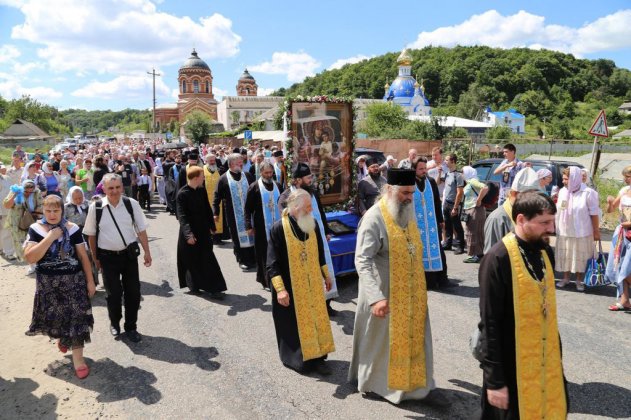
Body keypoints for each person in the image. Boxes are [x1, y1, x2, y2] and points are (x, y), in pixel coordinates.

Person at [477, 191, 568, 419]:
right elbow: (489, 324)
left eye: (552, 221)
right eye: (544, 222)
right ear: (520, 220)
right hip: (511, 369)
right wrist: (495, 381)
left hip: (545, 366)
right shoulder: (497, 259)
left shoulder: (544, 252)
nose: (551, 229)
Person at [349, 168, 435, 403]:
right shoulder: (373, 218)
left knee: (414, 338)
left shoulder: (407, 211)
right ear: (389, 190)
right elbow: (362, 260)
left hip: (412, 293)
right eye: (405, 193)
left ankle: (413, 383)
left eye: (412, 193)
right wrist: (375, 297)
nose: (409, 197)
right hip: (384, 292)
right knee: (382, 343)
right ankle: (378, 385)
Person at [23, 195, 96, 379]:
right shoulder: (35, 229)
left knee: (77, 319)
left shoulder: (72, 229)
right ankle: (64, 338)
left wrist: (90, 280)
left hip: (74, 282)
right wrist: (50, 237)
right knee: (56, 318)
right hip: (49, 284)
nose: (52, 214)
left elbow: (83, 256)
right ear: (43, 211)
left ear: (62, 211)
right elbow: (31, 258)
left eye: (56, 210)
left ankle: (78, 360)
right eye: (48, 210)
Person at [266, 189, 335, 374]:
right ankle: (299, 359)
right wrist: (280, 290)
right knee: (295, 325)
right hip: (291, 286)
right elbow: (272, 264)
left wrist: (326, 275)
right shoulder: (278, 228)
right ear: (295, 207)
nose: (311, 210)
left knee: (316, 320)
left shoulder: (312, 224)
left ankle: (319, 358)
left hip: (312, 284)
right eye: (308, 206)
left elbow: (320, 252)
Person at [83, 174, 151, 343]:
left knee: (133, 293)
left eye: (117, 187)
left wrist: (147, 252)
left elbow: (141, 230)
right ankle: (115, 323)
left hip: (128, 257)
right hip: (107, 258)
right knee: (113, 295)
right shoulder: (96, 207)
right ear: (104, 189)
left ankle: (131, 327)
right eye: (110, 188)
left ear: (122, 187)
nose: (114, 191)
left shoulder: (131, 204)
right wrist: (95, 258)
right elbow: (91, 235)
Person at [278, 163, 339, 311]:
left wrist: (326, 231)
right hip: (301, 242)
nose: (311, 179)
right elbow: (284, 219)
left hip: (318, 237)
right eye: (308, 177)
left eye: (311, 176)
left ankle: (327, 304)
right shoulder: (286, 196)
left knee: (325, 267)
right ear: (298, 180)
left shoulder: (312, 191)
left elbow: (321, 213)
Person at [176, 166, 226, 297]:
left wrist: (212, 227)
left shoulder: (201, 190)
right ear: (196, 178)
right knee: (191, 260)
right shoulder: (182, 194)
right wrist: (188, 235)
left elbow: (207, 209)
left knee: (208, 259)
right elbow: (182, 216)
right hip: (190, 232)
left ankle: (215, 289)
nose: (204, 177)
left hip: (203, 231)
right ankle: (194, 285)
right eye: (202, 175)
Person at [555, 166, 600, 291]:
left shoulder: (589, 193)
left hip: (582, 231)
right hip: (565, 230)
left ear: (574, 179)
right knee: (566, 254)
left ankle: (579, 280)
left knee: (580, 256)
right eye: (563, 179)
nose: (563, 181)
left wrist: (596, 231)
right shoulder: (563, 191)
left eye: (566, 179)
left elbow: (594, 213)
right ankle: (565, 278)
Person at [412, 157, 452, 289]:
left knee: (438, 251)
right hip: (417, 226)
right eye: (421, 169)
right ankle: (428, 282)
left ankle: (442, 279)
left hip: (432, 225)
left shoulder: (430, 181)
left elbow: (436, 202)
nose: (424, 171)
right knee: (420, 253)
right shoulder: (410, 184)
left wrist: (441, 220)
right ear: (414, 169)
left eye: (425, 168)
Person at [213, 153, 256, 270]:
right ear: (231, 164)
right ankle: (242, 259)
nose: (241, 164)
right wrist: (215, 213)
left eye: (241, 162)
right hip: (233, 214)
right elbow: (216, 197)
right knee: (238, 237)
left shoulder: (247, 175)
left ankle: (252, 258)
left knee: (251, 234)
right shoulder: (223, 179)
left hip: (249, 213)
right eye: (238, 163)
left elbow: (255, 190)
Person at [483, 167, 539, 255]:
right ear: (514, 194)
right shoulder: (497, 219)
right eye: (529, 196)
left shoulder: (530, 214)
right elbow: (490, 258)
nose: (533, 200)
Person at [245, 162, 282, 289]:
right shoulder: (254, 187)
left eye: (271, 172)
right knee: (263, 253)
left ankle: (279, 278)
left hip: (277, 226)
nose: (269, 175)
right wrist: (248, 226)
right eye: (266, 173)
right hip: (261, 226)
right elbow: (247, 209)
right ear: (260, 172)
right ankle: (265, 280)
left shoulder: (278, 185)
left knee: (278, 252)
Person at [605, 165, 631, 311]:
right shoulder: (624, 191)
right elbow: (611, 210)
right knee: (619, 265)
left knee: (627, 267)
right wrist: (609, 203)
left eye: (627, 176)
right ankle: (624, 300)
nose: (625, 179)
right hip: (622, 233)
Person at [3, 179, 43, 266]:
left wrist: (36, 211)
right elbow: (6, 205)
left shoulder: (36, 192)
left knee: (33, 242)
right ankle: (29, 262)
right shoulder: (16, 191)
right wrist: (14, 195)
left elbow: (41, 205)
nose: (28, 193)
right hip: (16, 223)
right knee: (21, 244)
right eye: (26, 192)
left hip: (32, 221)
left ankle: (32, 263)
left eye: (30, 192)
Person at [462, 166, 489, 263]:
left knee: (471, 232)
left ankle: (473, 255)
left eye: (463, 172)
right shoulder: (471, 181)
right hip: (476, 210)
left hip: (474, 209)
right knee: (478, 232)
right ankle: (479, 253)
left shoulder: (472, 181)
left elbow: (485, 187)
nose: (462, 174)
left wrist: (478, 200)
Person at [441, 154, 465, 254]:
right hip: (446, 202)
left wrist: (455, 207)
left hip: (453, 204)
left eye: (447, 160)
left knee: (457, 225)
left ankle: (460, 246)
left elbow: (460, 192)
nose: (445, 162)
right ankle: (448, 243)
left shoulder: (458, 175)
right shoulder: (447, 174)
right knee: (447, 225)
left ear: (453, 161)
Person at [202, 154, 225, 245]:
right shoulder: (202, 170)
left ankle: (218, 238)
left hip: (218, 199)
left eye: (213, 160)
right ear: (206, 161)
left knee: (218, 218)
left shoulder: (219, 170)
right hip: (206, 198)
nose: (212, 162)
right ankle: (209, 237)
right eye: (210, 160)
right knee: (207, 217)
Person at [0, 163, 16, 260]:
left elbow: (12, 192)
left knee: (7, 231)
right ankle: (1, 248)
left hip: (8, 209)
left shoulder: (7, 178)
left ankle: (8, 252)